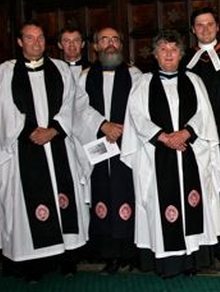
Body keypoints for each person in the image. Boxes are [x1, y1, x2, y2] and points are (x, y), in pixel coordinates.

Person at [121, 29, 220, 278]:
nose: (169, 54)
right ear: (155, 54)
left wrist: (186, 133)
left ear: (181, 54)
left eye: (174, 50)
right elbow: (137, 117)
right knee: (159, 205)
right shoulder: (143, 83)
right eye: (163, 50)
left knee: (193, 203)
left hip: (190, 153)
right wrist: (164, 137)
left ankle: (192, 260)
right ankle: (167, 263)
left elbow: (204, 115)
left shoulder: (194, 81)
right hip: (156, 155)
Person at [0, 19, 89, 282]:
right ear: (20, 42)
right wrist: (29, 131)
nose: (36, 43)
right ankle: (31, 265)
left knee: (64, 200)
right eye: (30, 38)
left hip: (57, 145)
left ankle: (67, 259)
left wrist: (55, 128)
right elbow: (2, 109)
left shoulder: (60, 68)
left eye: (41, 38)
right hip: (24, 149)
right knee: (25, 207)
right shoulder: (6, 71)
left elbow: (72, 104)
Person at [74, 27, 142, 274]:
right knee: (103, 193)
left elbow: (141, 108)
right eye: (105, 39)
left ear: (121, 44)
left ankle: (132, 253)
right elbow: (79, 110)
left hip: (127, 143)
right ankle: (110, 254)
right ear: (95, 46)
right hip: (98, 145)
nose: (110, 44)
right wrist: (103, 126)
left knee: (129, 192)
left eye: (115, 39)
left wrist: (122, 130)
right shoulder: (84, 77)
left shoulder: (135, 74)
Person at [182, 7, 220, 262]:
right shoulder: (185, 57)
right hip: (193, 135)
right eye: (199, 25)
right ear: (193, 30)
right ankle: (200, 245)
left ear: (218, 27)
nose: (205, 29)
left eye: (209, 24)